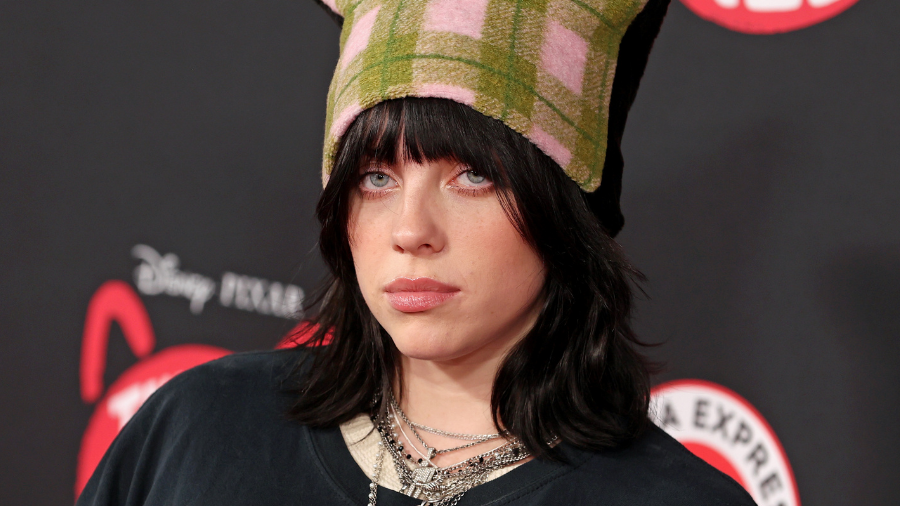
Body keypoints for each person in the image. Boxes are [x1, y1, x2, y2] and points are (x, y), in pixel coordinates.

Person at [77, 1, 757, 505]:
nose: (411, 230)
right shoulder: (199, 427)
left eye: (473, 176)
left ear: (561, 209)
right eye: (376, 178)